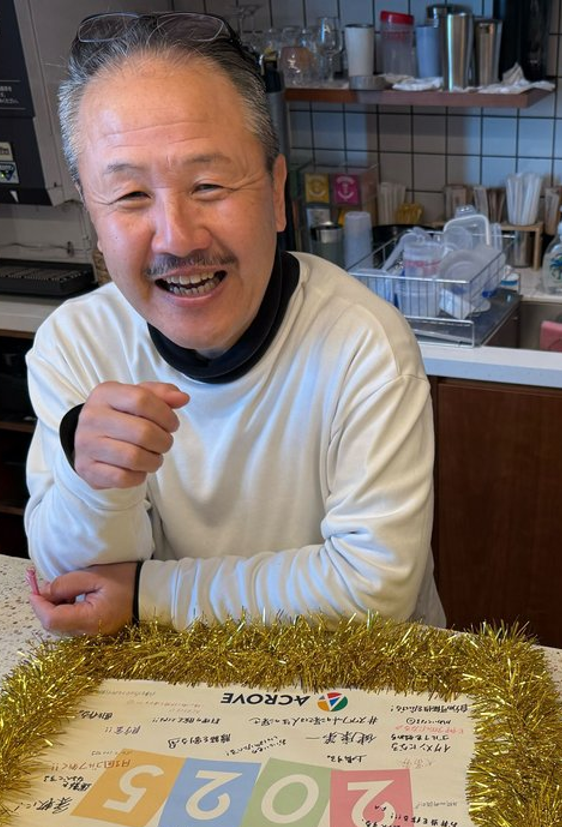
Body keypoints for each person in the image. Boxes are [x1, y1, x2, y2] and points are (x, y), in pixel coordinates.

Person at [24, 12, 442, 636]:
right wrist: (93, 484)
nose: (177, 238)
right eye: (131, 196)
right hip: (162, 678)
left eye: (209, 184)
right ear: (93, 217)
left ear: (276, 193)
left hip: (355, 677)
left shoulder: (363, 344)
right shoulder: (75, 345)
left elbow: (375, 587)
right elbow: (75, 586)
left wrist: (143, 596)